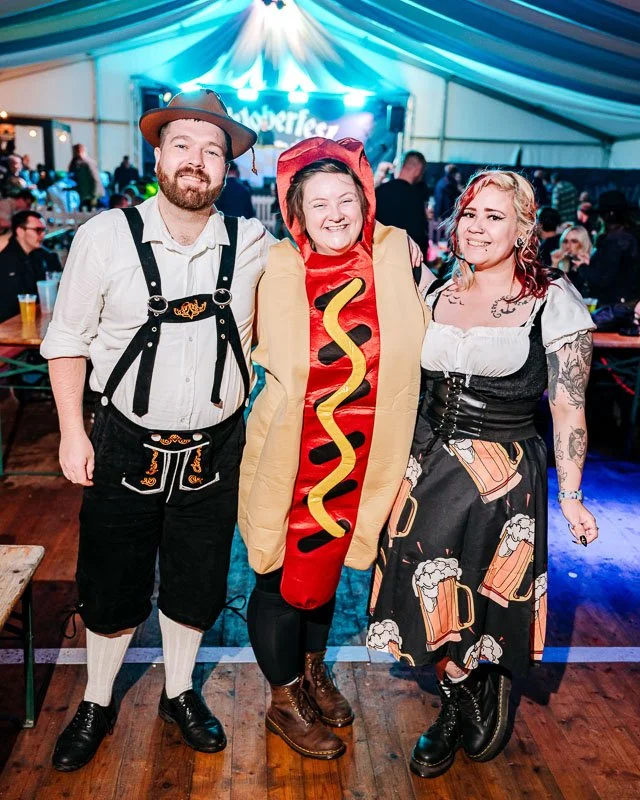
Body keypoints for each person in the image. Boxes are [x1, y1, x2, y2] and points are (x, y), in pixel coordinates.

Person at [41, 89, 276, 772]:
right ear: (158, 157)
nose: (196, 161)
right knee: (111, 580)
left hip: (216, 446)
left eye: (212, 151)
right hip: (123, 441)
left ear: (228, 168)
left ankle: (179, 693)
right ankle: (97, 699)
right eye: (182, 146)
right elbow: (67, 341)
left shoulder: (256, 244)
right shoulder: (103, 237)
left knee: (198, 580)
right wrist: (71, 431)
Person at [367, 169, 598, 779]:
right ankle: (460, 694)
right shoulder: (436, 291)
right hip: (427, 465)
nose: (477, 226)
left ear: (523, 228)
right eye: (470, 213)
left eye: (495, 216)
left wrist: (571, 495)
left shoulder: (553, 299)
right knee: (429, 593)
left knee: (484, 590)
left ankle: (474, 685)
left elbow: (568, 405)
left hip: (503, 474)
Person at [239, 137, 429, 760]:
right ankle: (283, 697)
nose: (335, 213)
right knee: (276, 573)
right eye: (318, 203)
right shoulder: (274, 265)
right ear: (296, 211)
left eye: (345, 198)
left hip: (366, 451)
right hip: (291, 453)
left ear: (365, 200)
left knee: (327, 565)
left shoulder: (396, 254)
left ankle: (313, 673)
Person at [571, 190, 640, 305]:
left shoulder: (615, 240)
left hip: (618, 305)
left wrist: (582, 267)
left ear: (605, 216)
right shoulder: (631, 235)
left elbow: (604, 278)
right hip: (631, 300)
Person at [375, 150, 429, 279]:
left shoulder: (379, 191)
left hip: (380, 260)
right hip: (408, 263)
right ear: (418, 169)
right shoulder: (416, 196)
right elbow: (419, 233)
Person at [0, 210, 48, 322]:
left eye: (44, 230)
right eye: (38, 230)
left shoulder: (42, 256)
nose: (43, 235)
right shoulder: (6, 262)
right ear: (20, 231)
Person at [68, 143, 105, 209]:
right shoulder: (77, 163)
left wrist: (94, 197)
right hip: (85, 195)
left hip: (93, 196)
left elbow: (96, 180)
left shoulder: (88, 163)